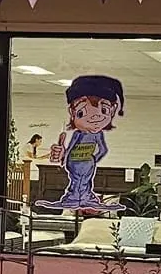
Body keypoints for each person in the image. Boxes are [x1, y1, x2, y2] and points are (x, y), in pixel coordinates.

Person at [48, 75, 125, 212]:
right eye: (82, 112)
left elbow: (103, 149)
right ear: (72, 112)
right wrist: (64, 157)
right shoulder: (78, 134)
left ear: (112, 111)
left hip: (87, 163)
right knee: (76, 180)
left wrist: (94, 159)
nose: (95, 118)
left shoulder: (98, 135)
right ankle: (74, 197)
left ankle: (84, 197)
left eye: (104, 110)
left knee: (85, 181)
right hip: (75, 162)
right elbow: (72, 147)